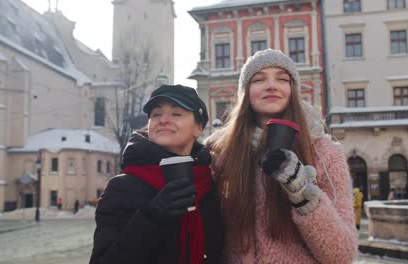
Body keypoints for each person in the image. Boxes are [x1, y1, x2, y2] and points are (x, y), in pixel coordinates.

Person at [206, 49, 358, 263]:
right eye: (258, 79)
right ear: (246, 93)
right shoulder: (220, 152)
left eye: (282, 79)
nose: (271, 85)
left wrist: (304, 197)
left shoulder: (324, 152)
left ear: (293, 90)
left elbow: (342, 255)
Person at [89, 84, 223, 264]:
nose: (163, 120)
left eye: (176, 114)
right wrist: (152, 217)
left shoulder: (212, 184)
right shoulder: (122, 188)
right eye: (156, 115)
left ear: (198, 128)